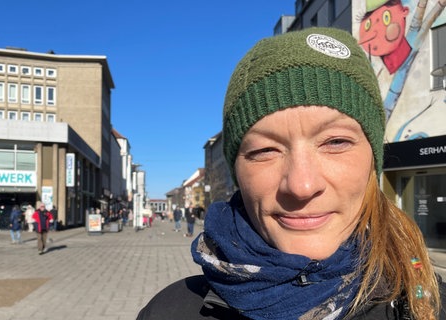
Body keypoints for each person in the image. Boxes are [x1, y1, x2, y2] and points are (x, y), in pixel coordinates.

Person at [137, 27, 445, 319]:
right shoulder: (169, 312)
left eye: (336, 142)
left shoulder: (430, 306)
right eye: (265, 151)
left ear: (372, 160)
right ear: (237, 172)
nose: (301, 185)